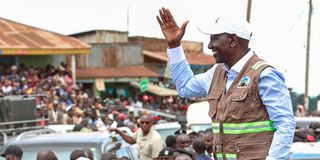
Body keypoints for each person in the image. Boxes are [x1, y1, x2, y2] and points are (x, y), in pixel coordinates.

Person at [156, 7, 295, 160]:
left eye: (214, 39)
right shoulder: (216, 72)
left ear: (233, 40)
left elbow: (285, 124)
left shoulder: (264, 74)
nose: (210, 46)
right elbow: (184, 87)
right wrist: (174, 46)